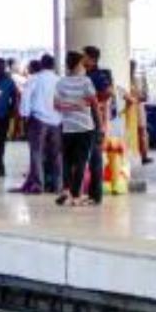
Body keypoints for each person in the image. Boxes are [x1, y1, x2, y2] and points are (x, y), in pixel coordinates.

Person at [55, 51, 100, 207]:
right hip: (85, 127)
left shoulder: (61, 82)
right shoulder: (86, 81)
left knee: (67, 161)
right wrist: (99, 125)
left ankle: (66, 190)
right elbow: (94, 104)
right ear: (78, 64)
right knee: (81, 161)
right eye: (82, 63)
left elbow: (56, 106)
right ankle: (75, 196)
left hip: (68, 127)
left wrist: (71, 106)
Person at [17, 54, 63, 194]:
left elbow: (26, 97)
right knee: (56, 154)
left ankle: (38, 185)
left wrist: (24, 115)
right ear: (54, 65)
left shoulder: (35, 79)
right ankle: (57, 185)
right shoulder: (59, 80)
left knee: (36, 152)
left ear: (42, 64)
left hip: (38, 120)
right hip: (57, 121)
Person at [83, 46, 112, 205]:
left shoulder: (98, 76)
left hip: (94, 120)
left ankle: (96, 195)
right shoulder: (86, 75)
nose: (83, 59)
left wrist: (95, 102)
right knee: (90, 157)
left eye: (85, 56)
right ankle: (92, 194)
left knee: (95, 158)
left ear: (93, 59)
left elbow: (108, 92)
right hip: (86, 120)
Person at [0, 58, 19, 178]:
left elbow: (15, 97)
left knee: (0, 140)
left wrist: (12, 110)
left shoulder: (9, 81)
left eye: (1, 66)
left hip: (3, 115)